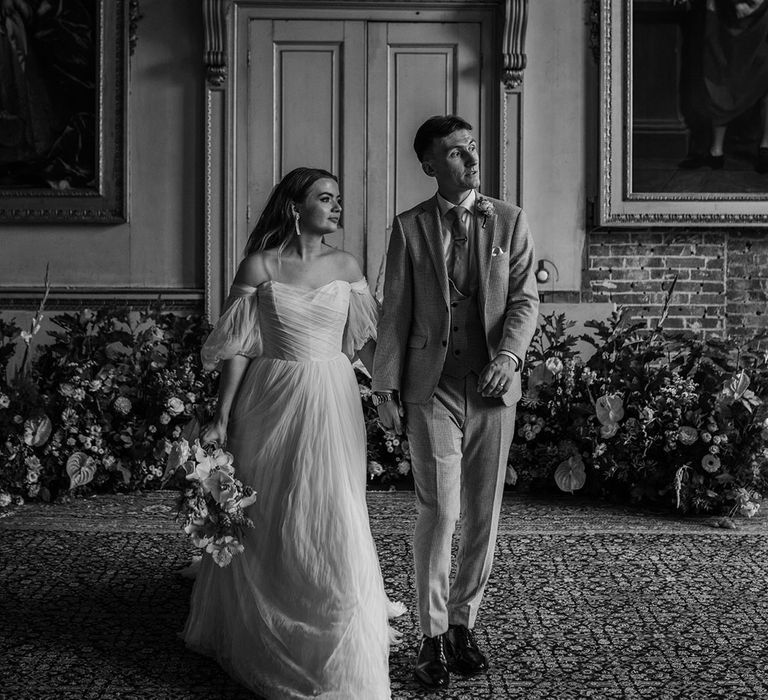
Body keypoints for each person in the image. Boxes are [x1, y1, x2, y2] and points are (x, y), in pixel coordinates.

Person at [182, 167, 395, 699]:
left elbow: (367, 342)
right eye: (325, 198)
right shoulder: (259, 264)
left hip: (331, 392)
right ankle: (269, 616)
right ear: (295, 206)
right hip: (270, 394)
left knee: (333, 502)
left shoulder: (346, 265)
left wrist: (392, 392)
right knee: (272, 507)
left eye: (339, 199)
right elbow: (237, 345)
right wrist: (222, 415)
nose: (337, 207)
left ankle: (335, 621)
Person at [371, 115, 539, 690]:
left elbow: (524, 302)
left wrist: (509, 357)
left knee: (483, 514)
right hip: (430, 385)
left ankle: (465, 622)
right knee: (440, 511)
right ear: (428, 164)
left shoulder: (510, 220)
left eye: (471, 147)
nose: (469, 158)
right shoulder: (409, 227)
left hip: (492, 388)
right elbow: (392, 312)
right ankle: (431, 635)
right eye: (454, 152)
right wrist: (385, 388)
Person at [676, 0, 768, 173]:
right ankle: (716, 150)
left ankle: (765, 149)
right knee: (718, 78)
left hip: (758, 31)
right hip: (724, 27)